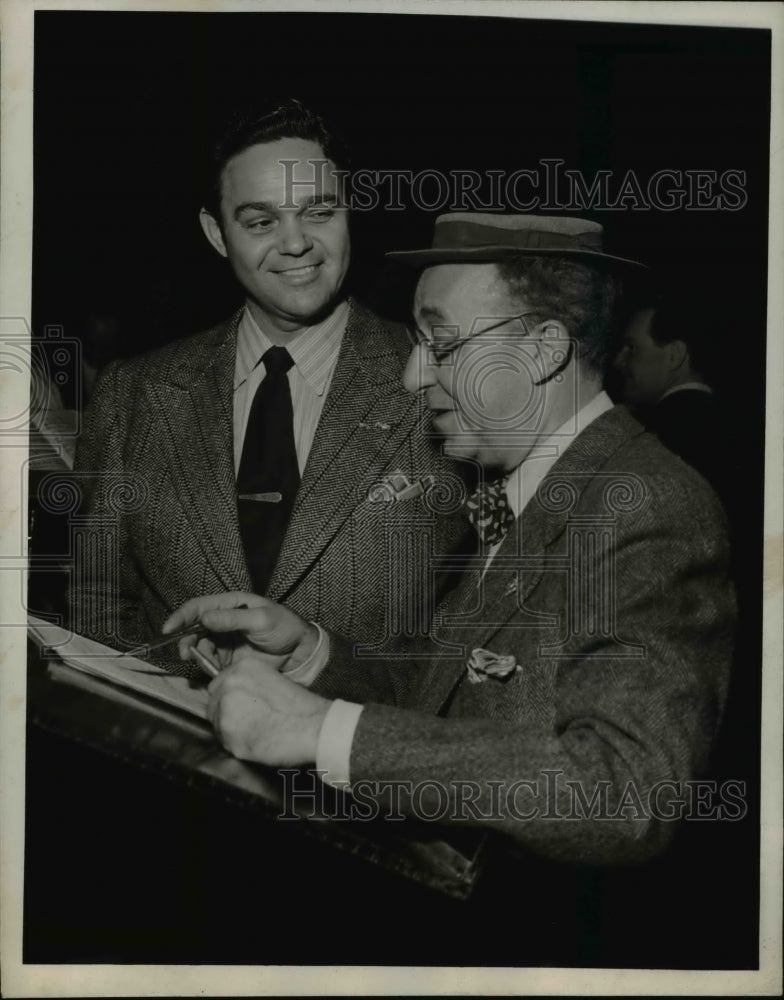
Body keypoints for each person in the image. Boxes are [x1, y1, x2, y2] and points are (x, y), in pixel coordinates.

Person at [165, 213, 736, 865]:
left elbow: (621, 793)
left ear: (544, 350)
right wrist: (310, 655)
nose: (414, 376)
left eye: (440, 343)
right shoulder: (519, 492)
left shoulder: (650, 507)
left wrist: (320, 731)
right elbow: (451, 702)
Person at [69, 100, 468, 669]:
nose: (296, 243)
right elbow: (100, 607)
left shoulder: (442, 379)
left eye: (319, 213)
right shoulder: (133, 394)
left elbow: (483, 631)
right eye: (260, 222)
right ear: (216, 232)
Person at [612, 289, 738, 510]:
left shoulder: (660, 437)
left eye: (632, 348)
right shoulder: (731, 428)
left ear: (674, 356)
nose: (618, 361)